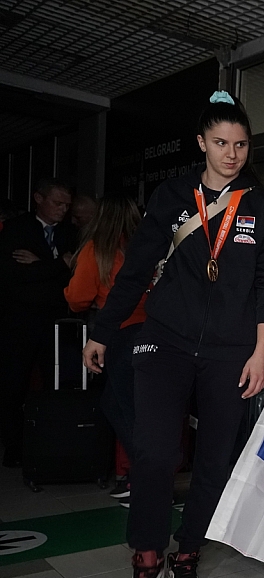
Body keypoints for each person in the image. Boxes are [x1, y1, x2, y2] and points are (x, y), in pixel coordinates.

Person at [82, 91, 264, 578]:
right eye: (221, 143)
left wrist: (263, 351)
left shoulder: (263, 205)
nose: (232, 154)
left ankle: (188, 551)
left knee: (215, 461)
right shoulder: (172, 194)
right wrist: (103, 331)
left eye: (241, 144)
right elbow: (137, 268)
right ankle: (146, 558)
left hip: (231, 353)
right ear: (201, 143)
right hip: (166, 342)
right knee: (154, 454)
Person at [64, 196, 148, 506]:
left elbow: (78, 298)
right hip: (155, 333)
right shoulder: (148, 246)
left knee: (124, 408)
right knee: (125, 405)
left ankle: (147, 481)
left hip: (119, 335)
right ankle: (145, 475)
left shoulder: (97, 249)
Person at [0, 177, 75, 467]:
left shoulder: (71, 232)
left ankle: (55, 444)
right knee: (13, 384)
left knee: (58, 384)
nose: (63, 209)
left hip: (58, 321)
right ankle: (15, 447)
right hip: (19, 322)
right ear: (38, 199)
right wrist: (58, 264)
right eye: (58, 203)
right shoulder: (16, 230)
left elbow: (76, 275)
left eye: (67, 204)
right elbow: (15, 277)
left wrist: (39, 265)